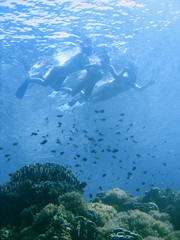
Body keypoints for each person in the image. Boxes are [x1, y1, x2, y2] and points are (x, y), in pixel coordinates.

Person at [15, 38, 93, 99]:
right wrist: (87, 65)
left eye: (89, 53)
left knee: (56, 88)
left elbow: (87, 70)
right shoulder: (79, 56)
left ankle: (41, 77)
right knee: (45, 83)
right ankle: (29, 79)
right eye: (87, 53)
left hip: (64, 75)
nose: (87, 55)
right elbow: (76, 65)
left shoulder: (87, 61)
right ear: (85, 52)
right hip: (59, 70)